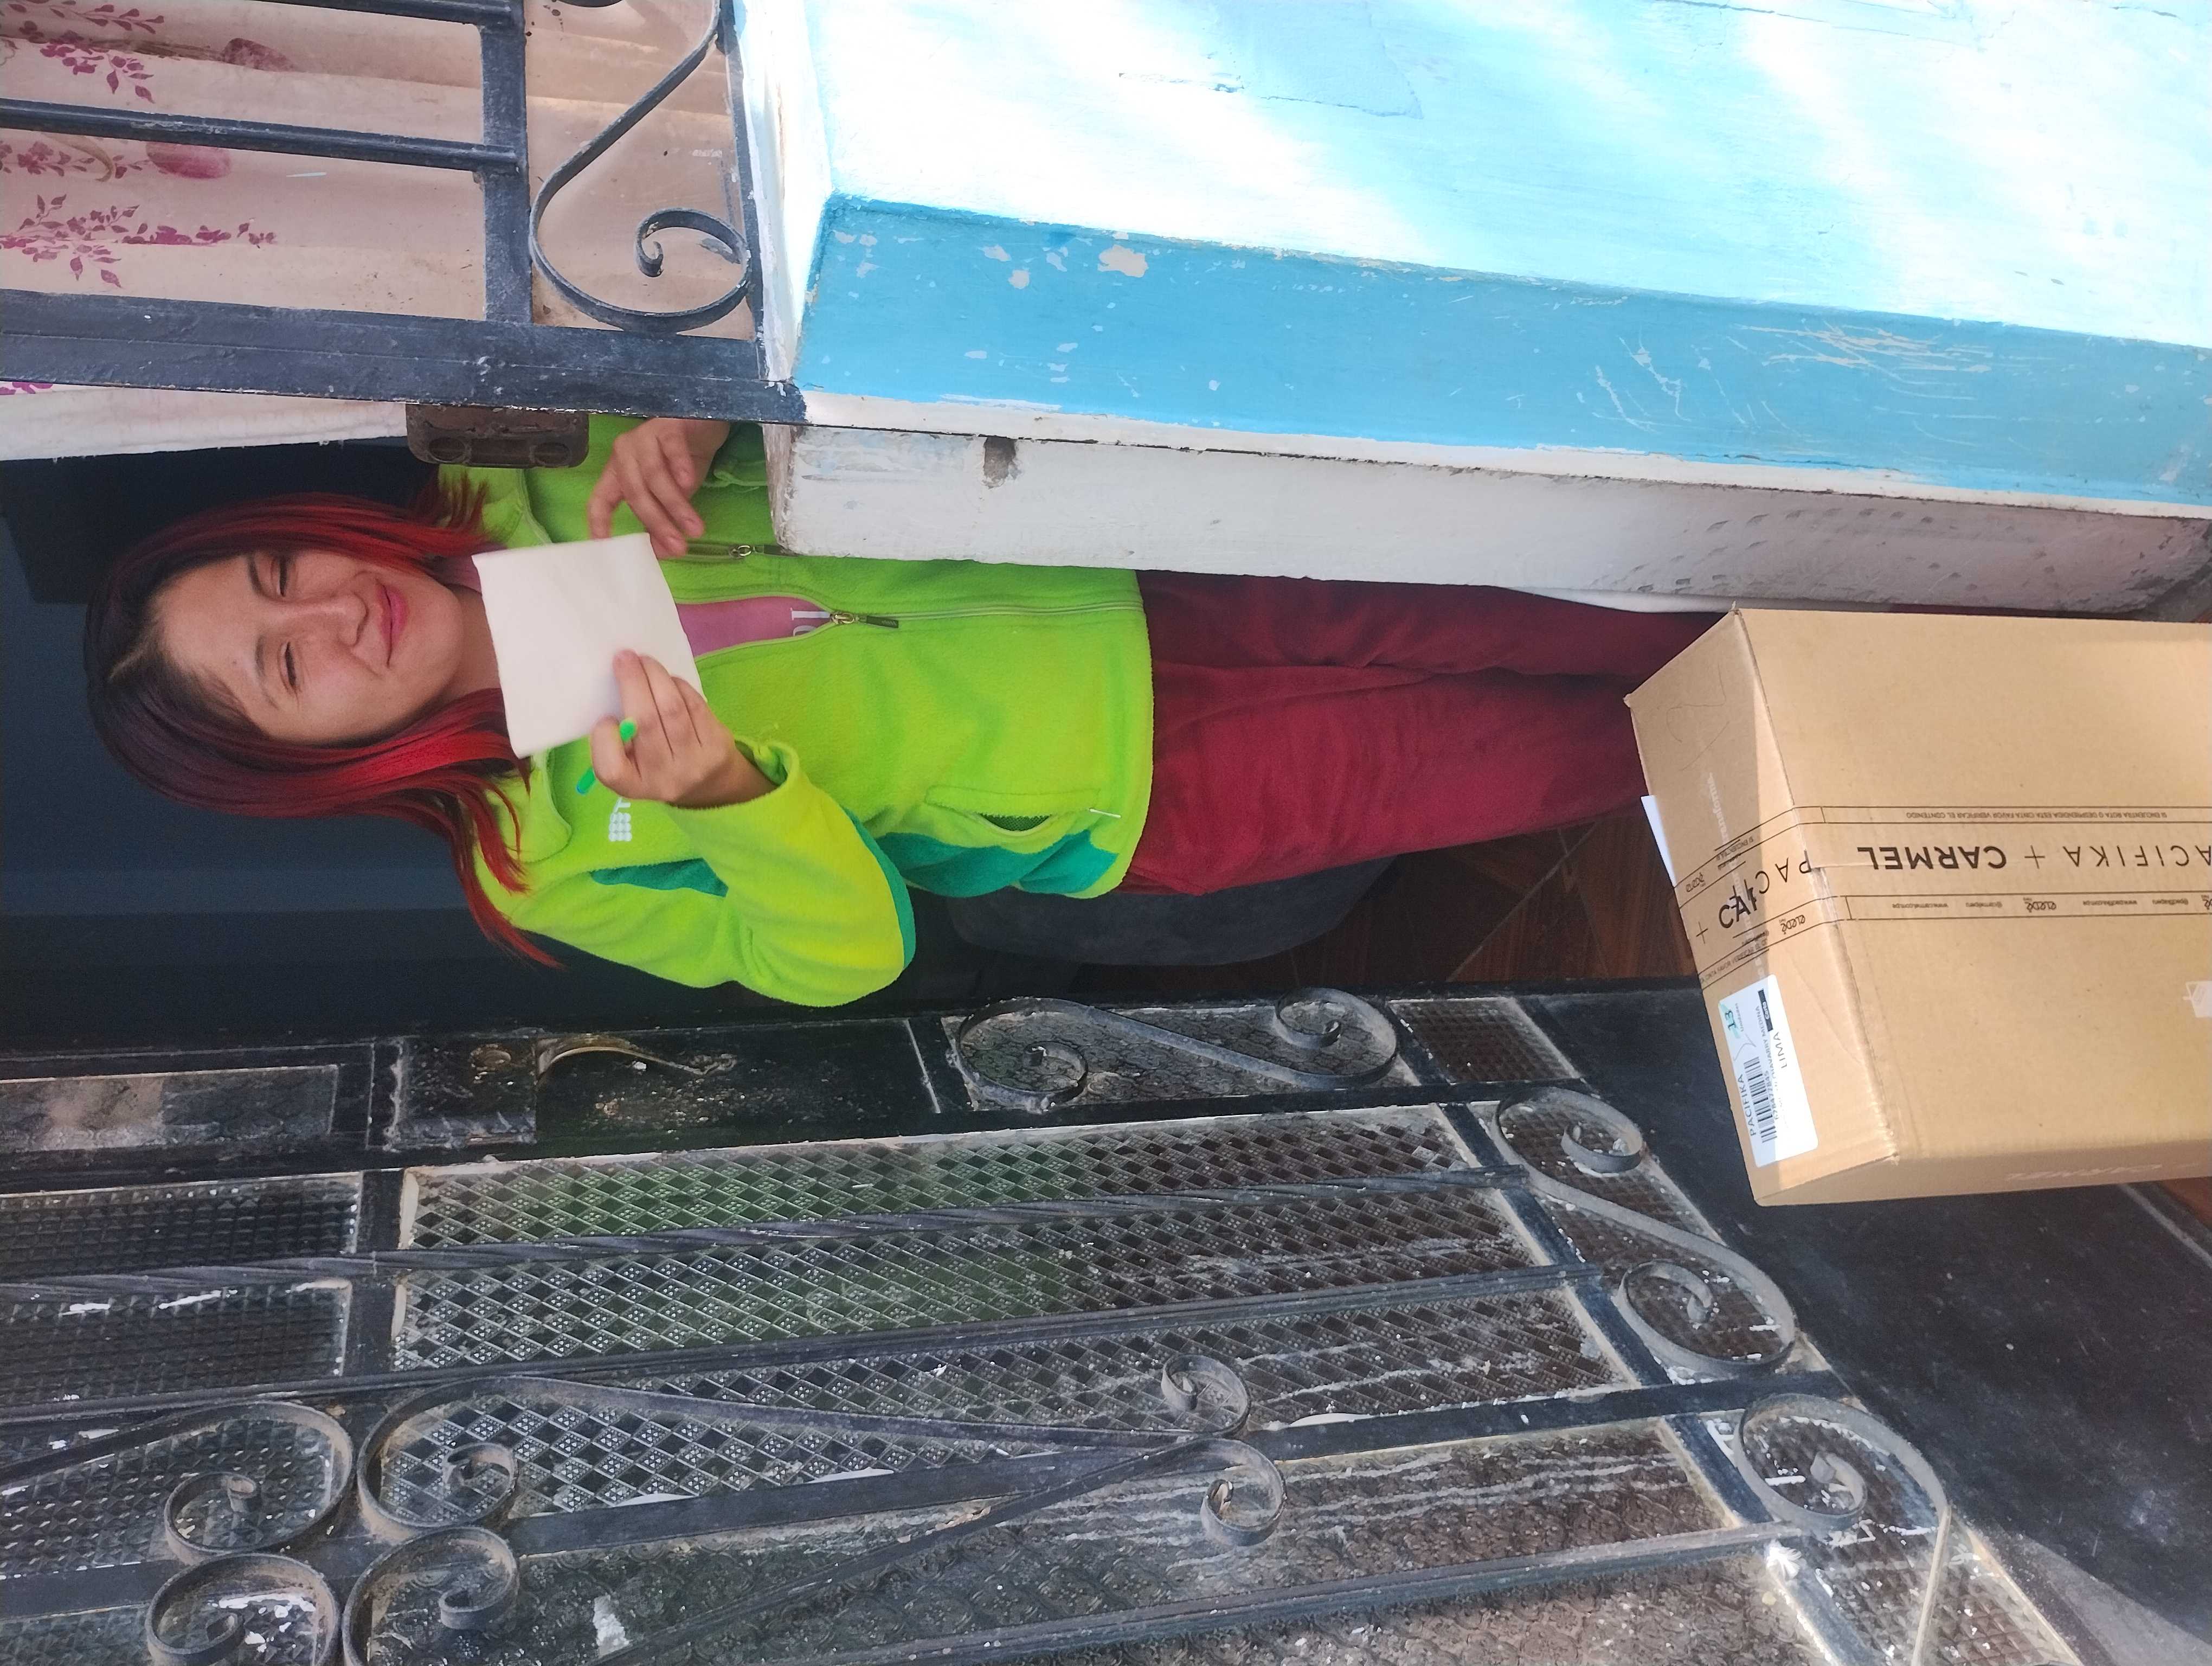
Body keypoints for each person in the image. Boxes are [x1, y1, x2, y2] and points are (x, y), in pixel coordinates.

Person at [85, 416, 1711, 1005]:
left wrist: (696, 412)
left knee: (1615, 598)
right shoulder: (539, 860)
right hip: (1155, 793)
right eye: (285, 670)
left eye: (281, 571)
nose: (329, 615)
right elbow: (843, 960)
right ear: (301, 764)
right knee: (1621, 748)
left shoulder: (529, 466)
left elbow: (799, 357)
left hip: (1153, 566)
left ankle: (1876, 609)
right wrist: (733, 805)